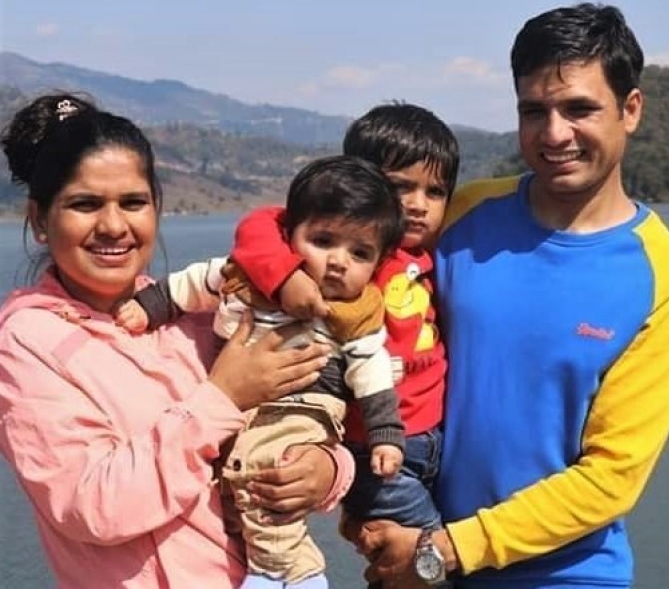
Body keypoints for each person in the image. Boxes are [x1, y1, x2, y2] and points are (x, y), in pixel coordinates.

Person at [348, 3, 669, 588]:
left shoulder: (668, 278)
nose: (554, 133)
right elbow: (350, 303)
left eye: (579, 109)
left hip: (561, 575)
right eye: (533, 110)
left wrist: (445, 550)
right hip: (418, 549)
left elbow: (611, 477)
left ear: (631, 109)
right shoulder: (461, 215)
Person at [0, 92, 353, 589]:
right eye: (84, 204)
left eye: (133, 202)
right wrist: (223, 397)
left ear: (156, 208)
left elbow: (301, 408)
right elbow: (92, 506)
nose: (113, 225)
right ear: (39, 219)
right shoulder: (29, 340)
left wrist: (326, 469)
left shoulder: (195, 313)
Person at [116, 154, 407, 589]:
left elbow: (371, 369)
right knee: (230, 486)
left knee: (266, 471)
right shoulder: (251, 275)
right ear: (290, 236)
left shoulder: (356, 309)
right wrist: (150, 306)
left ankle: (287, 573)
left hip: (303, 405)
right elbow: (197, 282)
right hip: (238, 404)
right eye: (324, 240)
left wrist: (385, 431)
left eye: (359, 252)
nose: (339, 262)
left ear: (378, 263)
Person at [225, 102, 459, 587]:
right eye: (401, 187)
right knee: (425, 560)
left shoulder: (429, 252)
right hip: (373, 446)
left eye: (434, 191)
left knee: (400, 564)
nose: (418, 204)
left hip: (435, 440)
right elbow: (260, 227)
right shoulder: (348, 257)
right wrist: (285, 276)